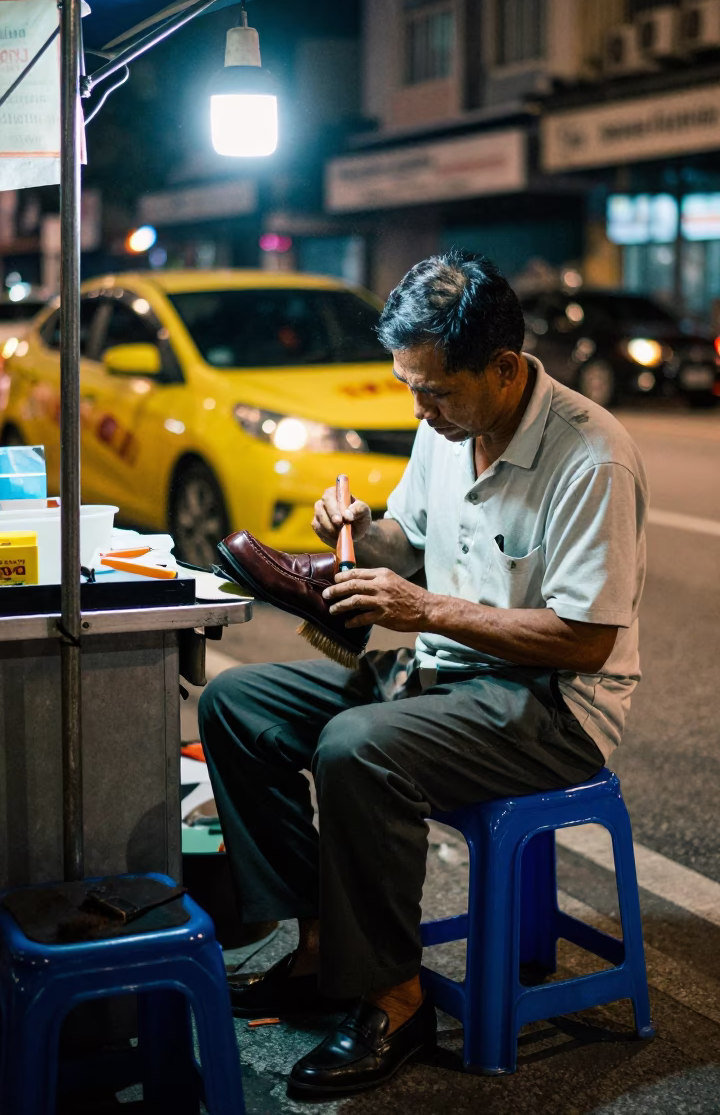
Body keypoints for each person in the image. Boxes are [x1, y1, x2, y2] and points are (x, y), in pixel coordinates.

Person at [199, 251, 648, 1100]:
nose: (419, 407)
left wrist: (424, 611)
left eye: (434, 390)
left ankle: (395, 1000)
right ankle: (323, 947)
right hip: (443, 675)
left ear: (505, 369)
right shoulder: (448, 425)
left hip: (552, 705)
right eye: (411, 387)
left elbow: (586, 641)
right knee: (236, 703)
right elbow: (404, 543)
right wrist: (357, 531)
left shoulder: (592, 458)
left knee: (357, 747)